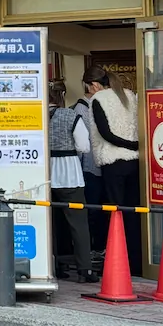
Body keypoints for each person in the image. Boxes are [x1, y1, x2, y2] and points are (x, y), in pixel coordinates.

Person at [90, 70, 141, 273]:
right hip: (134, 161)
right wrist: (135, 146)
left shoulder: (99, 99)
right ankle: (137, 262)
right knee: (134, 212)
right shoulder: (130, 95)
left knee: (115, 212)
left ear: (95, 85)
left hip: (113, 161)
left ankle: (119, 263)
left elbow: (105, 133)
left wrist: (126, 144)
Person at [48, 83, 97, 283]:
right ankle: (85, 269)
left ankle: (54, 265)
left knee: (50, 224)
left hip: (44, 174)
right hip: (69, 173)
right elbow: (84, 146)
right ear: (61, 95)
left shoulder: (35, 116)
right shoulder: (70, 115)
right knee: (78, 224)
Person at [74, 68, 108, 254]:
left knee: (100, 210)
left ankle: (98, 247)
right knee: (93, 211)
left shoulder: (95, 104)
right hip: (89, 167)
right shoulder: (82, 109)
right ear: (94, 86)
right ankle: (94, 249)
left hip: (99, 165)